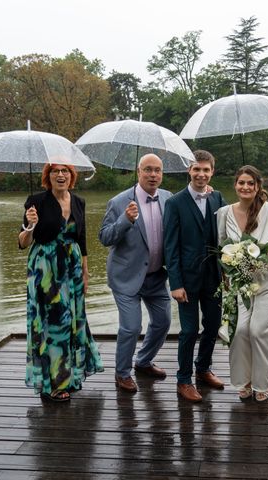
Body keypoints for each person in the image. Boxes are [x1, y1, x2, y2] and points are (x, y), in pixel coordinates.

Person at [18, 162, 103, 403]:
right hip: (45, 269)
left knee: (73, 319)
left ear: (71, 176)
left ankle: (69, 376)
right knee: (52, 324)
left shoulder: (79, 201)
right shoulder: (35, 201)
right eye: (55, 171)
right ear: (48, 176)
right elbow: (23, 242)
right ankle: (53, 383)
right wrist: (31, 225)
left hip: (72, 267)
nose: (61, 175)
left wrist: (85, 273)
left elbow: (82, 239)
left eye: (65, 171)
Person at [99, 154, 172, 393]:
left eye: (157, 170)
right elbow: (104, 237)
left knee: (163, 322)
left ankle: (143, 361)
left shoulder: (169, 199)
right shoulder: (119, 202)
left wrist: (209, 191)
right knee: (131, 327)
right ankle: (122, 373)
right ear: (138, 172)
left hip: (156, 276)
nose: (153, 175)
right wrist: (125, 220)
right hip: (125, 277)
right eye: (148, 170)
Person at [216, 165, 268, 403]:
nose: (245, 187)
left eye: (251, 183)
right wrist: (228, 272)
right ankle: (244, 381)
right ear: (235, 185)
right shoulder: (224, 213)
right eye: (241, 183)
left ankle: (261, 383)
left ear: (258, 187)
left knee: (259, 331)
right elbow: (222, 249)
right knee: (239, 331)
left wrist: (259, 264)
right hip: (241, 284)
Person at [163, 150, 227, 403]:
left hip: (213, 276)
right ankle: (183, 380)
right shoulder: (175, 203)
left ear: (212, 171)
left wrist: (226, 270)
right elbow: (170, 246)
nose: (201, 174)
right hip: (187, 280)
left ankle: (203, 369)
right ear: (189, 171)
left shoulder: (218, 198)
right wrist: (175, 283)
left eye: (206, 170)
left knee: (212, 326)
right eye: (196, 169)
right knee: (189, 331)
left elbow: (224, 235)